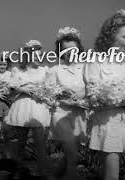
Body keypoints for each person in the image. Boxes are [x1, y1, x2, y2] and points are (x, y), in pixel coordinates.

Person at [84, 9, 125, 180]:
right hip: (108, 123)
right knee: (111, 177)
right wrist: (122, 101)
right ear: (111, 35)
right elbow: (93, 99)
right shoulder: (94, 60)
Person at [4, 40, 51, 178]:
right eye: (35, 56)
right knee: (21, 143)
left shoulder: (45, 70)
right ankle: (18, 171)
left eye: (40, 56)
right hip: (22, 107)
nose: (38, 58)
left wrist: (41, 91)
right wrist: (23, 89)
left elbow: (50, 89)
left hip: (38, 107)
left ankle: (43, 172)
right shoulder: (17, 70)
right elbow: (11, 89)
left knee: (40, 142)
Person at [46, 26, 87, 180]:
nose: (70, 53)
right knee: (73, 156)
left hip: (80, 115)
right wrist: (61, 97)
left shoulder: (86, 69)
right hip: (61, 115)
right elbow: (48, 96)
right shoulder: (55, 70)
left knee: (70, 156)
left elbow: (92, 92)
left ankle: (54, 177)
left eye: (74, 49)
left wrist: (84, 101)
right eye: (66, 50)